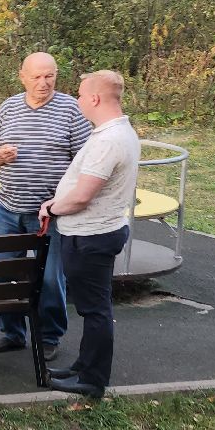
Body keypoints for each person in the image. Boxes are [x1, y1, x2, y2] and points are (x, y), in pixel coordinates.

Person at [37, 70, 140, 399]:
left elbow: (83, 197)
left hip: (91, 236)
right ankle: (83, 365)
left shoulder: (109, 141)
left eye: (81, 95)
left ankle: (92, 380)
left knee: (96, 311)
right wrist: (57, 200)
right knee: (91, 308)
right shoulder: (115, 132)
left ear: (94, 99)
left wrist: (52, 209)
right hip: (95, 232)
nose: (77, 99)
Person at [0, 51, 90, 360]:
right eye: (37, 77)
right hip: (9, 208)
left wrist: (63, 200)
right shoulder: (10, 106)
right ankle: (12, 333)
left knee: (50, 278)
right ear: (22, 77)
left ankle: (49, 336)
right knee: (3, 272)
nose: (44, 83)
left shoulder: (71, 109)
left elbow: (85, 161)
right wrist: (0, 156)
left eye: (50, 76)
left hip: (52, 213)